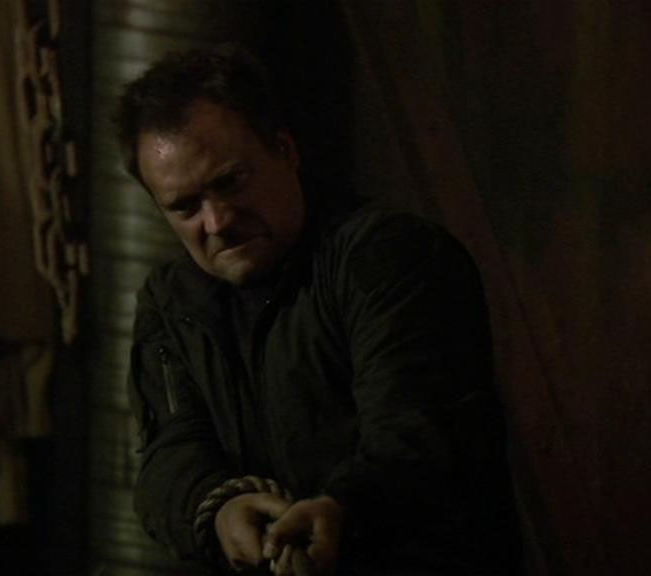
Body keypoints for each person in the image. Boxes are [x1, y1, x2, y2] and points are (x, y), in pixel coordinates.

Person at [116, 45, 521, 575]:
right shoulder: (172, 300)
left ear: (285, 151)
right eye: (185, 207)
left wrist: (343, 510)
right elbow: (169, 456)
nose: (216, 223)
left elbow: (422, 433)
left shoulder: (387, 258)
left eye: (230, 182)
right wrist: (220, 509)